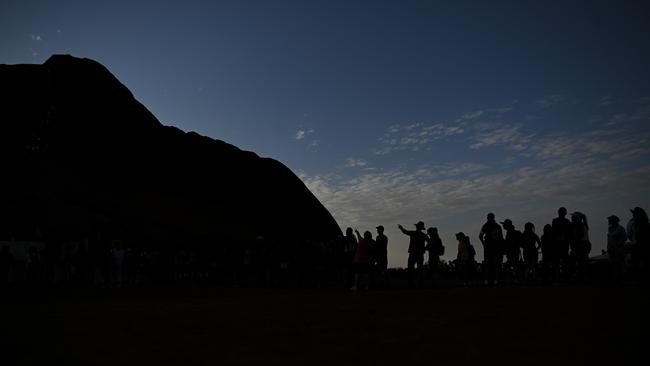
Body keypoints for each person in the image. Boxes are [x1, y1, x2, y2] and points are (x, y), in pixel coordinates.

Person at [398, 221, 427, 288]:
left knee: (411, 269)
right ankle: (420, 284)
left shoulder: (413, 233)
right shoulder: (423, 235)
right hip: (419, 254)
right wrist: (424, 248)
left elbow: (405, 231)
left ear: (417, 227)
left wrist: (401, 228)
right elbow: (429, 242)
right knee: (419, 269)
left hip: (413, 253)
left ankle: (411, 284)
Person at [479, 213, 504, 285]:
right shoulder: (498, 226)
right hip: (496, 247)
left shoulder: (485, 226)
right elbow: (501, 238)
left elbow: (480, 236)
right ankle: (495, 280)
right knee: (496, 264)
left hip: (488, 247)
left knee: (488, 264)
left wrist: (483, 243)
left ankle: (487, 280)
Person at [627, 207, 649, 278]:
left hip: (638, 245)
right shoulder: (645, 222)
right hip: (641, 245)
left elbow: (630, 235)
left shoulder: (633, 223)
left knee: (638, 262)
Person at [552, 207, 573, 280]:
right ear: (565, 213)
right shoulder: (567, 221)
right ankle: (565, 276)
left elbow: (553, 233)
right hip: (564, 243)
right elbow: (570, 233)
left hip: (557, 243)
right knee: (564, 261)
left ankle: (558, 277)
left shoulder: (555, 221)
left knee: (557, 262)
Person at [570, 212, 591, 282]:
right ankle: (584, 277)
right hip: (584, 244)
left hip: (581, 244)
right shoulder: (583, 225)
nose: (572, 217)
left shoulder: (579, 225)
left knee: (581, 261)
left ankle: (583, 277)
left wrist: (575, 244)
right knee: (583, 261)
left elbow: (579, 236)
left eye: (573, 217)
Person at [501, 219, 522, 283]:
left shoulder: (510, 233)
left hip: (512, 252)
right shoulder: (513, 232)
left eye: (504, 225)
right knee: (514, 266)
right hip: (514, 252)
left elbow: (509, 243)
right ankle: (516, 279)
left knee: (511, 266)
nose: (503, 226)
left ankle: (514, 279)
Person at [607, 215, 627, 283]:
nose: (609, 221)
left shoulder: (620, 228)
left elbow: (624, 238)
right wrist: (608, 247)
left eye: (610, 220)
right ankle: (615, 278)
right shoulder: (610, 228)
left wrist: (618, 244)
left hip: (619, 249)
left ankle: (621, 278)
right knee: (613, 264)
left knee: (620, 264)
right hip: (612, 248)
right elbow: (609, 239)